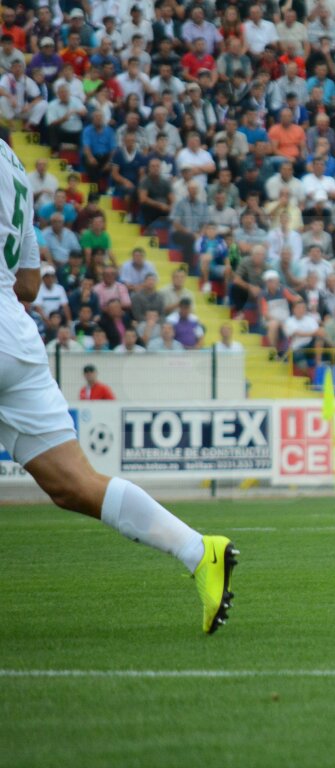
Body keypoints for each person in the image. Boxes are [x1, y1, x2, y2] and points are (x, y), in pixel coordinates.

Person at [0, 139, 237, 634]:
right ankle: (199, 551)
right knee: (75, 485)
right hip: (16, 340)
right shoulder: (14, 163)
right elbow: (28, 284)